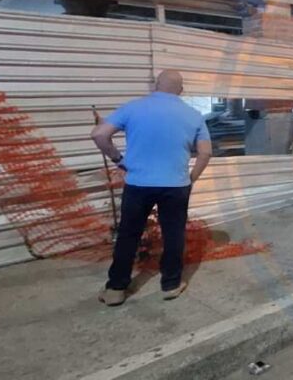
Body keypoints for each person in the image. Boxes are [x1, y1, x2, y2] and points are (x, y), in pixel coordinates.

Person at [90, 70, 212, 306]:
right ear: (181, 90)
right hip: (176, 185)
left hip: (138, 184)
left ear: (155, 86)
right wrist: (192, 178)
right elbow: (205, 152)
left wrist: (118, 159)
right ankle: (171, 284)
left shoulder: (133, 108)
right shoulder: (193, 115)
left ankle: (116, 288)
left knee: (128, 234)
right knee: (174, 234)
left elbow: (98, 134)